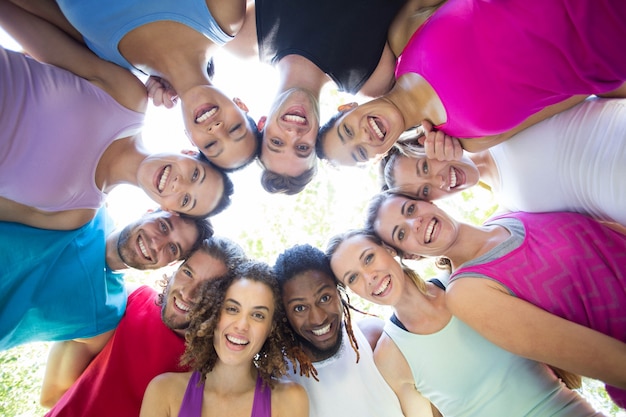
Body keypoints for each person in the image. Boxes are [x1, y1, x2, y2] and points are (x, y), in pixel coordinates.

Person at [366, 191, 626, 408]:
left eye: (410, 209)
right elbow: (599, 360)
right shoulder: (468, 291)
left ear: (429, 200)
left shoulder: (512, 211)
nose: (415, 223)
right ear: (410, 256)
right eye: (401, 234)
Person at [0, 2, 233, 230]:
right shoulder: (127, 97)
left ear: (169, 210)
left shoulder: (73, 214)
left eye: (185, 200)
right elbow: (39, 36)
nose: (178, 184)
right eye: (194, 174)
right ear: (189, 153)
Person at [326, 228, 604, 416]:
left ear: (389, 249)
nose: (369, 277)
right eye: (352, 278)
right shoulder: (390, 357)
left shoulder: (467, 282)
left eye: (369, 258)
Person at [317, 0, 626, 166]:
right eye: (360, 152)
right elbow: (565, 98)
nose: (364, 137)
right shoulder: (471, 141)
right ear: (379, 156)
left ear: (347, 106)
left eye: (347, 130)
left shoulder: (403, 37)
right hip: (611, 46)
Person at [19, 0, 260, 170]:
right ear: (241, 105)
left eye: (211, 144)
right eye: (234, 129)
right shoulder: (224, 15)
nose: (216, 128)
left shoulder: (109, 61)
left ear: (189, 138)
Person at [42, 236, 247, 416]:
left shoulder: (215, 368)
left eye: (209, 289)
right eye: (188, 273)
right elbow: (52, 395)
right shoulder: (128, 300)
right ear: (174, 269)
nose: (188, 293)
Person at [224, 0, 409, 194]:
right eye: (303, 148)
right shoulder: (374, 80)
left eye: (277, 142)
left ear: (262, 124)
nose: (293, 133)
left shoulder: (244, 37)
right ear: (317, 136)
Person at [380, 97, 626, 226]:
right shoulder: (509, 204)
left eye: (425, 167)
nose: (438, 181)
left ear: (427, 142)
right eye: (425, 191)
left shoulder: (490, 124)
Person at [0, 207, 213, 351]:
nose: (157, 244)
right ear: (150, 210)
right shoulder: (86, 209)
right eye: (163, 226)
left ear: (172, 264)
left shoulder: (107, 311)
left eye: (173, 248)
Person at [140, 260, 313, 417]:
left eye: (258, 315)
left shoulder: (290, 400)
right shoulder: (164, 392)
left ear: (271, 328)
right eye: (232, 309)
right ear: (213, 314)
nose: (242, 325)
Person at [273, 244, 410, 417]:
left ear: (339, 292)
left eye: (325, 298)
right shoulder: (280, 378)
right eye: (300, 308)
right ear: (284, 313)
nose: (318, 318)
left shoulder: (374, 338)